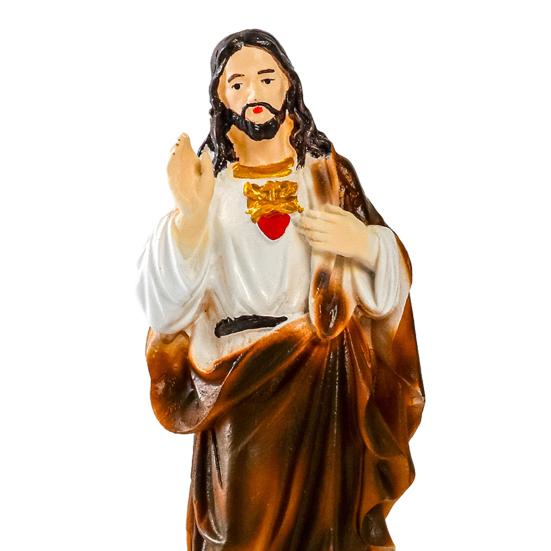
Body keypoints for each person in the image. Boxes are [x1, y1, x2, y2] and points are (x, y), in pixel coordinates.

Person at [137, 29, 424, 551]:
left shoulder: (327, 176)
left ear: (289, 84)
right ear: (221, 98)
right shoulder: (211, 184)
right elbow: (165, 308)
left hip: (323, 377)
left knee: (327, 524)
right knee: (241, 527)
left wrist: (364, 244)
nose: (254, 93)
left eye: (266, 78)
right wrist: (189, 219)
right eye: (237, 83)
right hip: (239, 378)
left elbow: (393, 283)